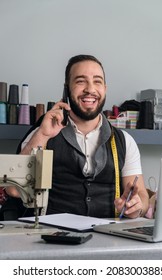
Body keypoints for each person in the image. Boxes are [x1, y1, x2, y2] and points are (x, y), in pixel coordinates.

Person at [4, 54, 149, 219]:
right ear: (66, 89)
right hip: (51, 239)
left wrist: (136, 206)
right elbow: (14, 190)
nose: (90, 89)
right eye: (81, 81)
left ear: (105, 89)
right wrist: (43, 135)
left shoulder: (124, 142)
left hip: (108, 240)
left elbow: (142, 197)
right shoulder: (41, 133)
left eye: (97, 81)